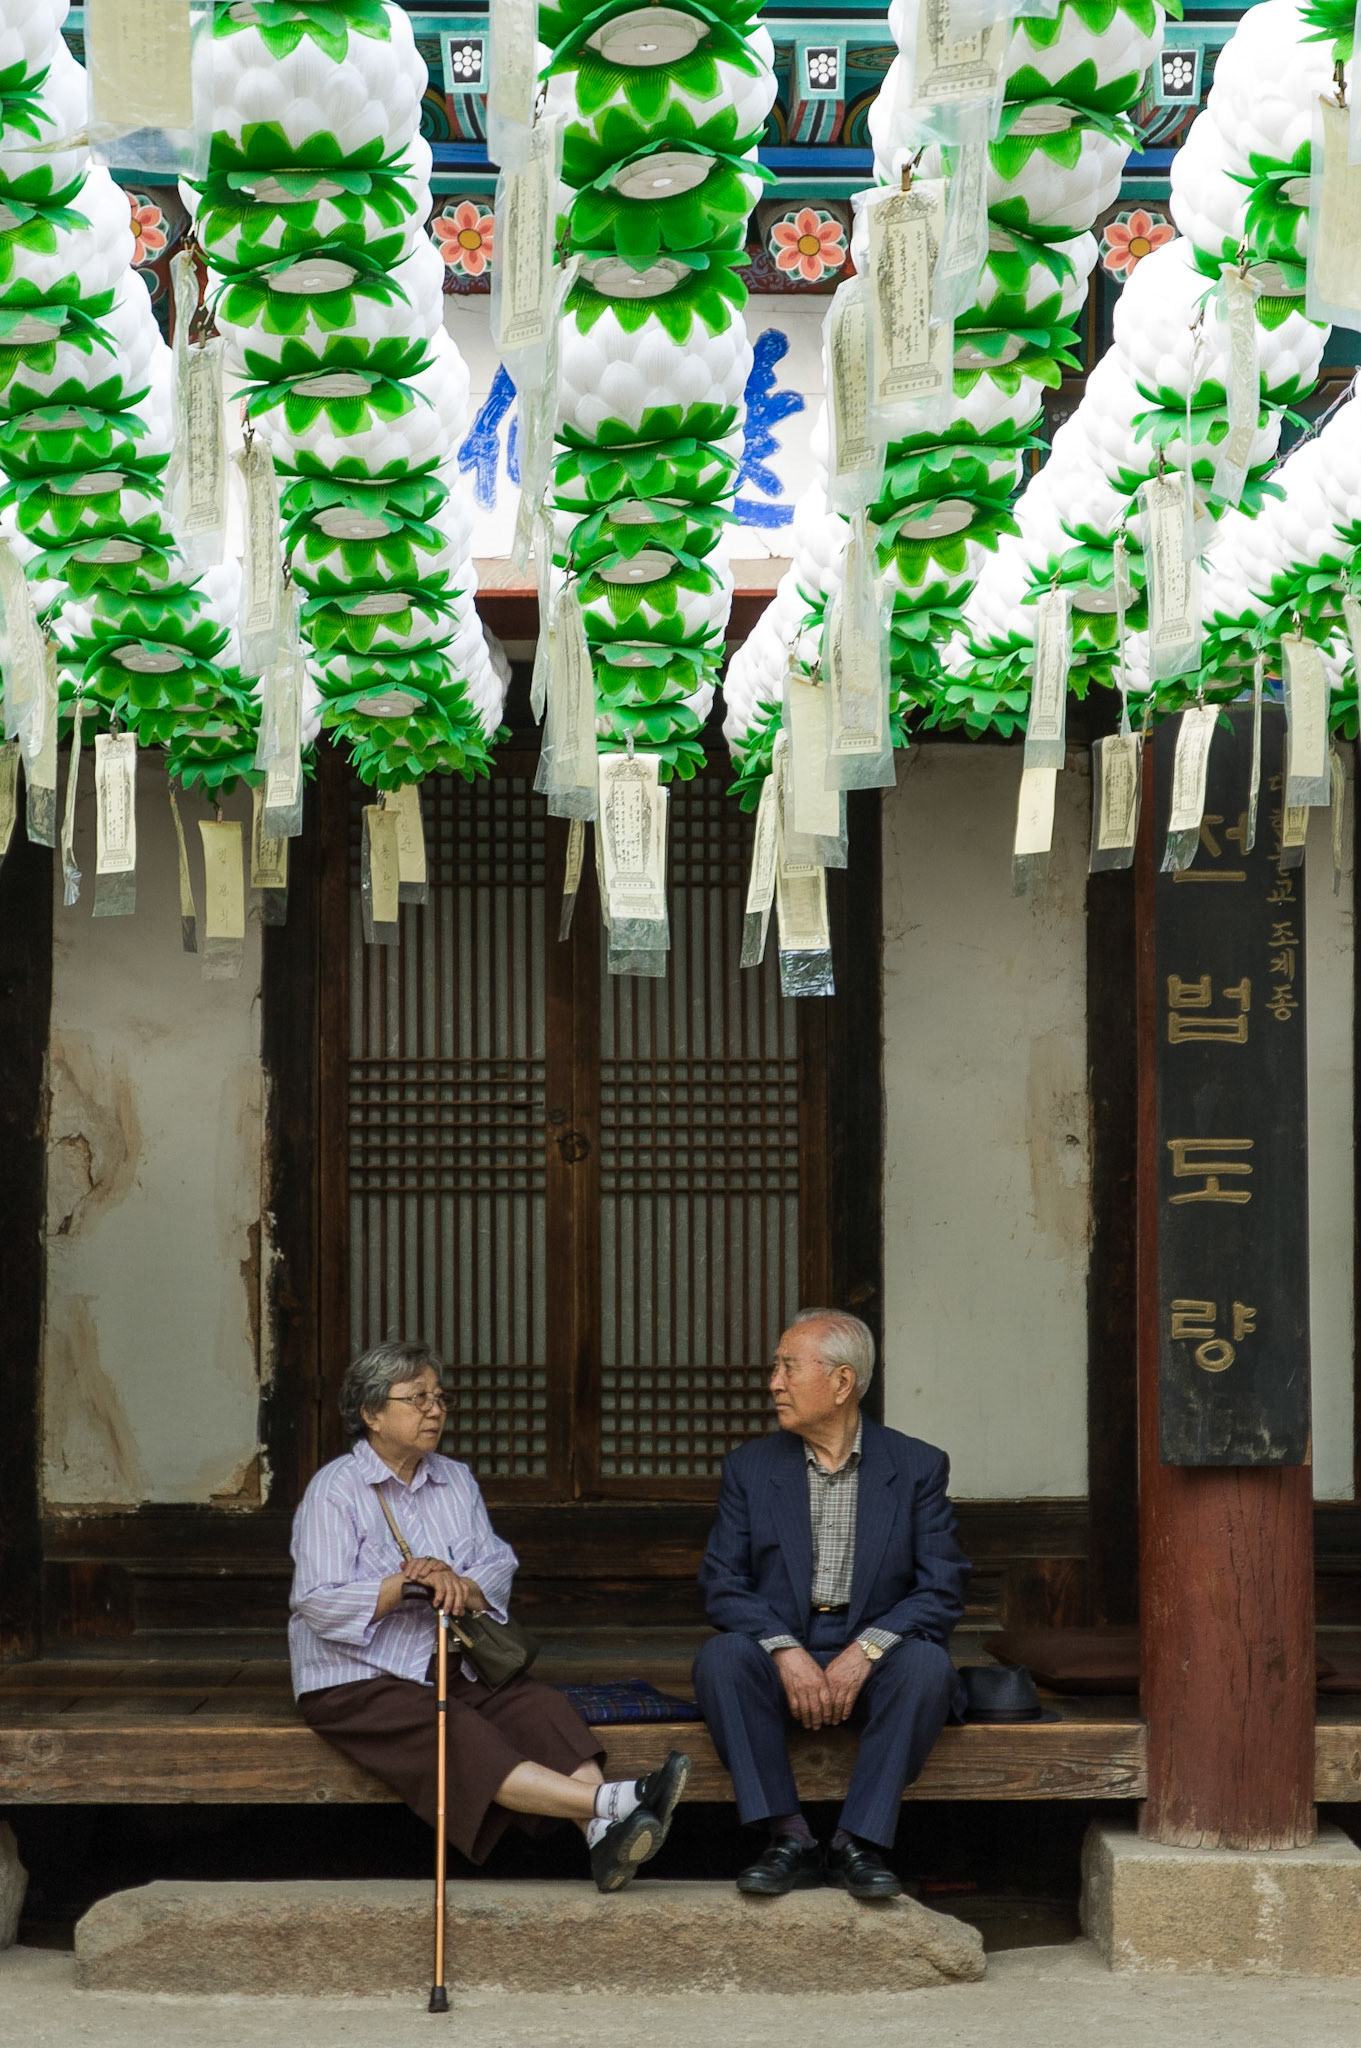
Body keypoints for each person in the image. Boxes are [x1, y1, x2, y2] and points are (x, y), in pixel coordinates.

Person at [290, 1340, 689, 1892]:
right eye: (417, 1399)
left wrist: (460, 1584)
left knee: (538, 1705)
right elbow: (317, 1601)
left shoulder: (454, 1478)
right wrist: (409, 1583)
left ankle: (600, 1837)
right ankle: (614, 1802)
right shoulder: (335, 1490)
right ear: (371, 1413)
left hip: (451, 1658)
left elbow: (496, 1562)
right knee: (456, 1730)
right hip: (358, 1677)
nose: (435, 1410)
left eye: (439, 1397)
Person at [692, 1308, 969, 1899]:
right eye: (776, 1369)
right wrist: (785, 1649)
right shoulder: (750, 1467)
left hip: (874, 1654)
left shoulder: (916, 1466)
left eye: (788, 1368)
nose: (773, 1383)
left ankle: (856, 1843)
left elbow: (941, 1586)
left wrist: (867, 1649)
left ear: (842, 1383)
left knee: (927, 1668)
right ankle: (787, 1837)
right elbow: (721, 1581)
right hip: (781, 1646)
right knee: (721, 1659)